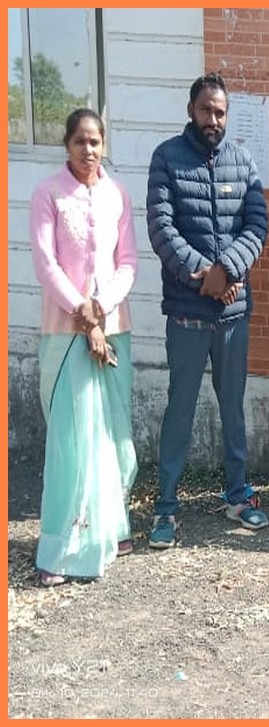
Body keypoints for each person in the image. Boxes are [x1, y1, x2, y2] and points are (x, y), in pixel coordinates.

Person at [147, 72, 269, 547]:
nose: (213, 119)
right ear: (190, 109)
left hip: (233, 313)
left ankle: (237, 494)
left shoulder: (242, 162)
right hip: (187, 314)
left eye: (220, 112)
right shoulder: (167, 159)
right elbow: (162, 229)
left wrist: (229, 270)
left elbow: (256, 224)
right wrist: (206, 276)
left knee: (233, 408)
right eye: (205, 110)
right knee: (180, 409)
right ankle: (166, 507)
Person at [30, 108, 138, 584]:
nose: (89, 150)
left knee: (114, 435)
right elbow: (45, 263)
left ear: (104, 145)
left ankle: (111, 529)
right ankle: (65, 548)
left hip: (114, 326)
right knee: (74, 439)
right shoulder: (47, 194)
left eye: (96, 142)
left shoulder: (117, 194)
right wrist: (83, 313)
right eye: (80, 141)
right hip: (66, 330)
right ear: (67, 145)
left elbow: (128, 262)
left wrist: (101, 308)